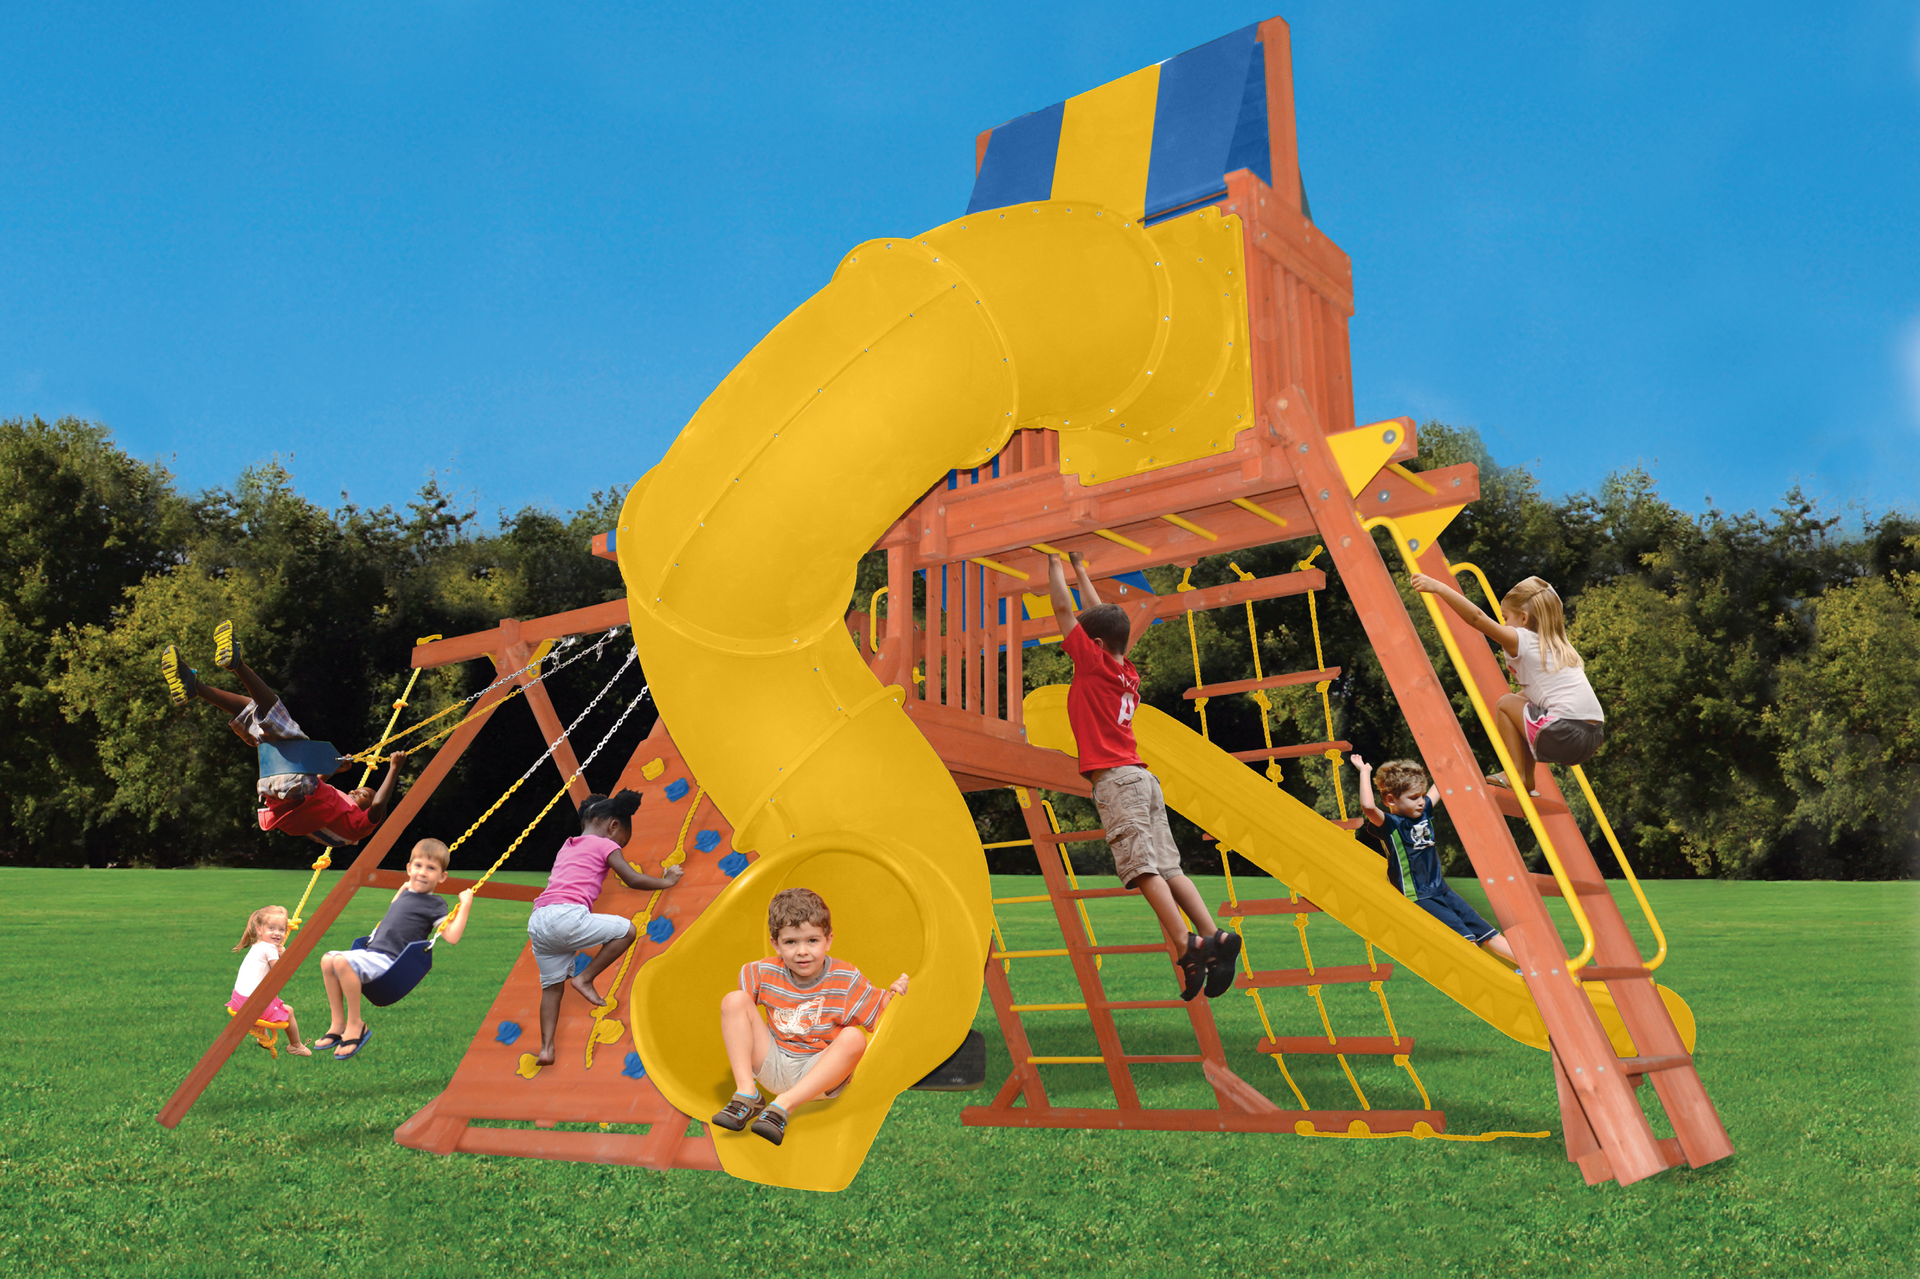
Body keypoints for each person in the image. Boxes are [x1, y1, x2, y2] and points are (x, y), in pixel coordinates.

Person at [1043, 549, 1239, 1001]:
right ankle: (1216, 937)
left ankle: (1186, 943)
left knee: (1140, 868)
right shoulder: (1124, 669)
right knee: (1169, 866)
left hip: (1117, 781)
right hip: (1142, 781)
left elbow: (1063, 610)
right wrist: (1080, 567)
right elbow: (1095, 617)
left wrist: (1051, 564)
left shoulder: (1091, 664)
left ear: (1090, 644)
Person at [160, 620, 409, 845]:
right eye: (359, 789)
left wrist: (395, 768)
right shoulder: (338, 810)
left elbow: (379, 804)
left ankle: (237, 664)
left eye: (363, 794)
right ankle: (196, 687)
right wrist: (331, 769)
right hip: (276, 788)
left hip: (295, 788)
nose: (356, 790)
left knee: (278, 716)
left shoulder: (359, 824)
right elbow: (317, 791)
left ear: (367, 810)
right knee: (254, 717)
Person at [710, 888, 908, 1147]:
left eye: (812, 941)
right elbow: (739, 1019)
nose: (802, 951)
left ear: (828, 940)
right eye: (791, 942)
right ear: (776, 944)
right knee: (733, 1000)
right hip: (774, 1063)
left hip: (817, 1076)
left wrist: (897, 993)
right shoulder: (760, 972)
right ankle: (747, 1093)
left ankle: (783, 1105)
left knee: (853, 1037)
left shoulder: (845, 979)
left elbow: (884, 1015)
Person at [525, 790, 683, 1068]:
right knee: (627, 931)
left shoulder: (569, 845)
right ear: (613, 826)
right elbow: (632, 879)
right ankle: (585, 978)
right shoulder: (604, 845)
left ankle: (546, 1048)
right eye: (621, 840)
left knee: (551, 989)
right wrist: (667, 881)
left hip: (539, 919)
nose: (619, 846)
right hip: (566, 915)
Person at [1410, 573, 1605, 796]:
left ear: (1523, 619)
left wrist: (1439, 587)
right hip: (1592, 737)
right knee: (1521, 701)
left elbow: (1477, 618)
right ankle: (1527, 779)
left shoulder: (1522, 638)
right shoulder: (1557, 644)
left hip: (1566, 732)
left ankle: (1516, 775)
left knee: (1505, 703)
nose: (1504, 624)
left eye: (1505, 618)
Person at [315, 838, 473, 1059]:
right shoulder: (405, 893)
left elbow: (452, 937)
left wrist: (465, 904)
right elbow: (394, 908)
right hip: (372, 952)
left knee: (341, 962)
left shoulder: (435, 904)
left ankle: (356, 1025)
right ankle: (337, 1023)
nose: (422, 872)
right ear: (408, 869)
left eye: (431, 868)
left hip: (391, 962)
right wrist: (404, 886)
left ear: (442, 876)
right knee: (327, 959)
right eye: (418, 866)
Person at [1352, 755, 1516, 964]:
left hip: (1441, 889)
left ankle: (1533, 971)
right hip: (1419, 896)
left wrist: (1453, 761)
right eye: (1413, 798)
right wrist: (1365, 772)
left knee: (1488, 933)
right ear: (1391, 800)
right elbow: (1367, 806)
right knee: (1467, 942)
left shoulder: (1423, 811)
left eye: (1422, 795)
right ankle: (1499, 979)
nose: (1421, 801)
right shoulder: (1391, 824)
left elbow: (1440, 784)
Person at [228, 904, 311, 1057]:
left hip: (238, 1000)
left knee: (266, 997)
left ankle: (263, 1036)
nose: (277, 934)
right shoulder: (269, 949)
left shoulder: (258, 945)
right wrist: (285, 954)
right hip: (251, 1003)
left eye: (281, 930)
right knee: (289, 1011)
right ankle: (296, 1046)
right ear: (259, 929)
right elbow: (280, 973)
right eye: (271, 928)